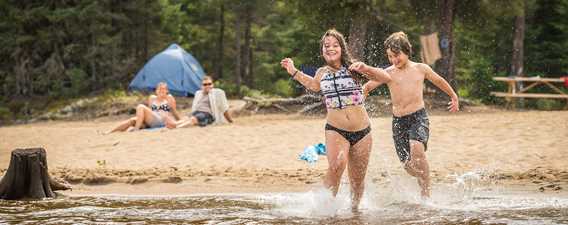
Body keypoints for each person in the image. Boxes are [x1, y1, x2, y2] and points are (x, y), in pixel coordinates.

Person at [280, 29, 391, 210]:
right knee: (337, 165)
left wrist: (366, 68)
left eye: (335, 45)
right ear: (322, 50)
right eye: (326, 46)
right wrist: (293, 71)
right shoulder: (321, 72)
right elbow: (314, 86)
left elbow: (386, 77)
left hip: (363, 132)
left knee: (357, 178)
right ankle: (325, 209)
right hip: (336, 129)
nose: (330, 48)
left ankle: (355, 212)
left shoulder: (355, 67)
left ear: (342, 48)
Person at [363, 31, 459, 198]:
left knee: (417, 151)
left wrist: (453, 96)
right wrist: (361, 96)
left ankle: (426, 193)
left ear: (407, 51)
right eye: (390, 56)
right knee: (408, 166)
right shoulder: (388, 73)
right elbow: (368, 87)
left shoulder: (420, 68)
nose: (394, 60)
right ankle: (424, 177)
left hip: (418, 117)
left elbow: (439, 81)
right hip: (398, 122)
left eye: (397, 55)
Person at [106, 82, 181, 133]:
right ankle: (110, 132)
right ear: (156, 91)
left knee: (140, 106)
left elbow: (174, 111)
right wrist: (142, 121)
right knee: (132, 120)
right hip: (152, 120)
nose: (161, 90)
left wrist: (179, 122)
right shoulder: (152, 98)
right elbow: (149, 112)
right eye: (159, 89)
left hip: (161, 120)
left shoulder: (169, 98)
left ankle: (136, 129)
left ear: (167, 91)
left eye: (163, 89)